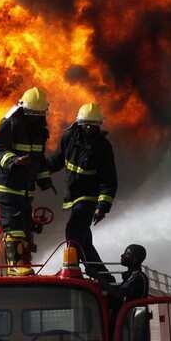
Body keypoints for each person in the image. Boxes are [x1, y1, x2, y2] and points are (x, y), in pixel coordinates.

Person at [47, 102, 118, 280]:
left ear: (98, 125)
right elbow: (57, 160)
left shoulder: (103, 146)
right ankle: (101, 274)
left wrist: (102, 207)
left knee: (74, 228)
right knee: (84, 238)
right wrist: (40, 169)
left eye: (93, 125)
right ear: (78, 122)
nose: (89, 128)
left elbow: (109, 180)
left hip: (89, 196)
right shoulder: (68, 137)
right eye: (86, 124)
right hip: (73, 194)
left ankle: (72, 267)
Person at [0, 87, 55, 276]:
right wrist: (13, 160)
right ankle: (15, 265)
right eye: (32, 114)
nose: (35, 117)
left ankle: (24, 264)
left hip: (26, 187)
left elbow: (39, 157)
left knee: (26, 226)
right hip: (7, 185)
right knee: (13, 224)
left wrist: (44, 179)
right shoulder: (11, 122)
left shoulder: (40, 128)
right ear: (24, 110)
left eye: (38, 114)